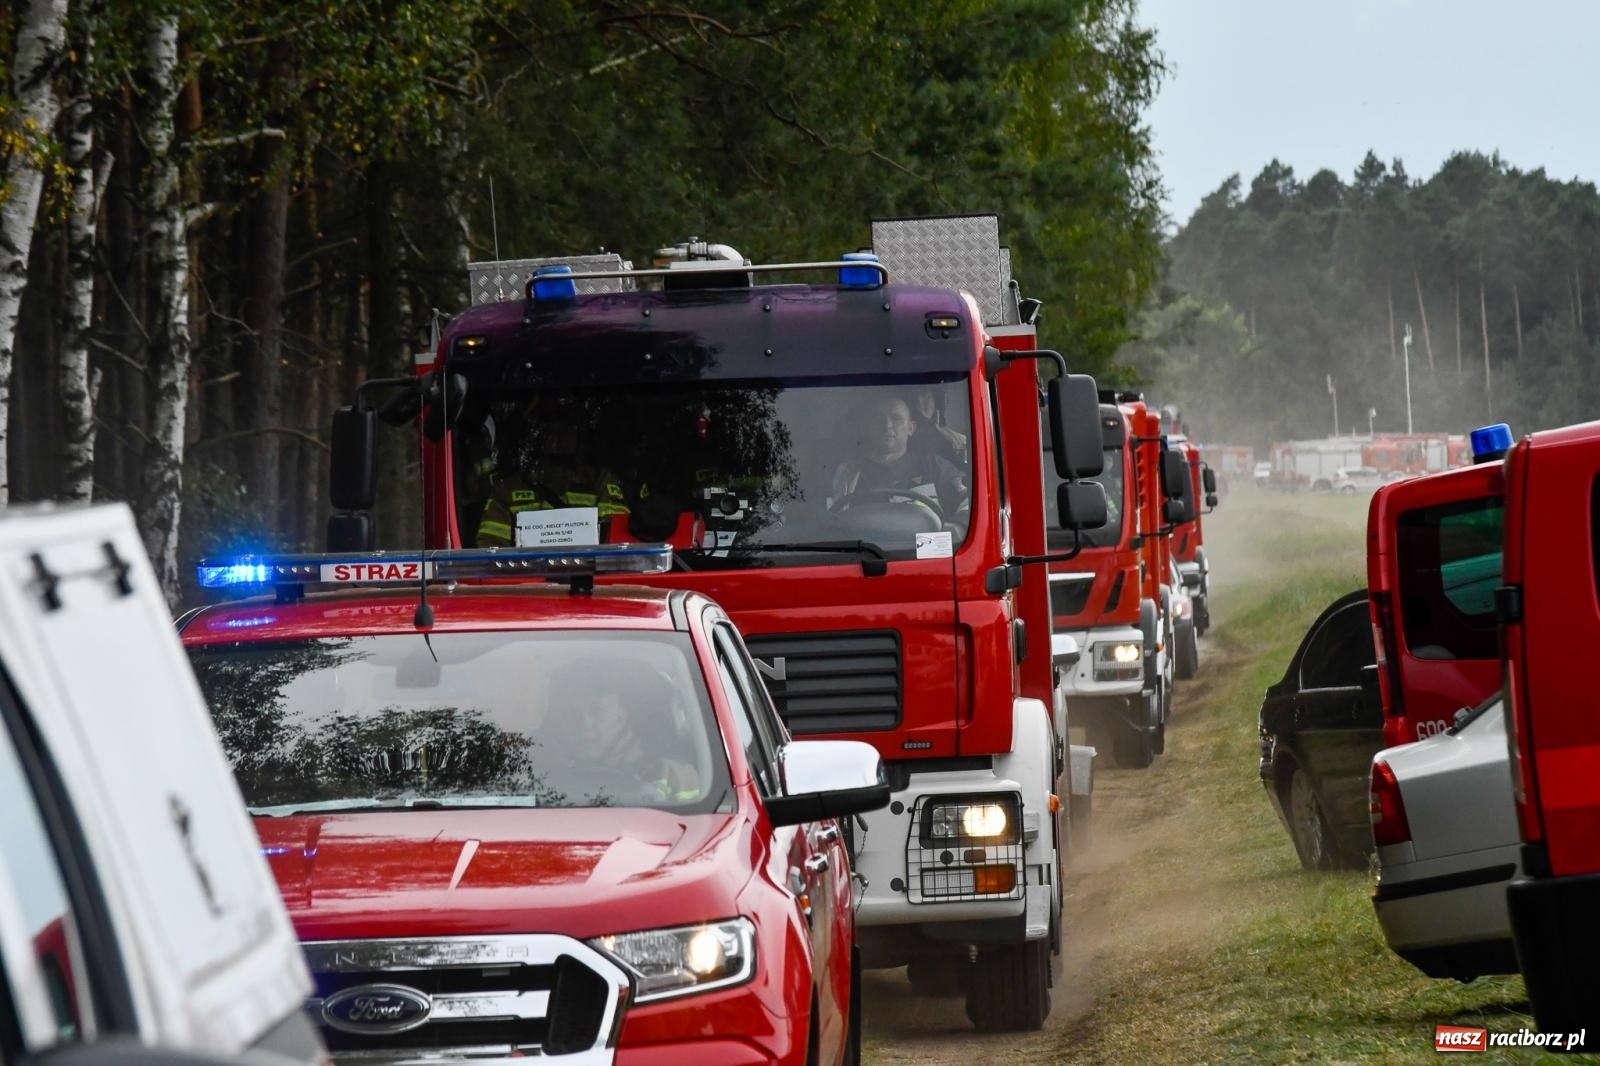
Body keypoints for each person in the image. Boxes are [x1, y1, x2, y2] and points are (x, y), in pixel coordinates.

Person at [474, 400, 635, 547]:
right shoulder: (507, 491)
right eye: (550, 429)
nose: (559, 438)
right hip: (527, 578)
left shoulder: (600, 482)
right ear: (538, 437)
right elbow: (489, 549)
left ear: (579, 435)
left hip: (589, 577)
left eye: (567, 429)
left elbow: (619, 544)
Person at [540, 660, 702, 804]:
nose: (585, 724)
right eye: (571, 714)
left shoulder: (671, 773)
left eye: (597, 711)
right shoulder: (533, 766)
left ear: (622, 714)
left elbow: (697, 822)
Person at [830, 393, 969, 521]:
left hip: (921, 547)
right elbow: (824, 519)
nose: (887, 425)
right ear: (867, 427)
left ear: (911, 428)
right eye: (878, 419)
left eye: (896, 419)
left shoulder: (935, 466)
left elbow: (967, 505)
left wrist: (955, 529)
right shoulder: (845, 474)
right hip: (861, 546)